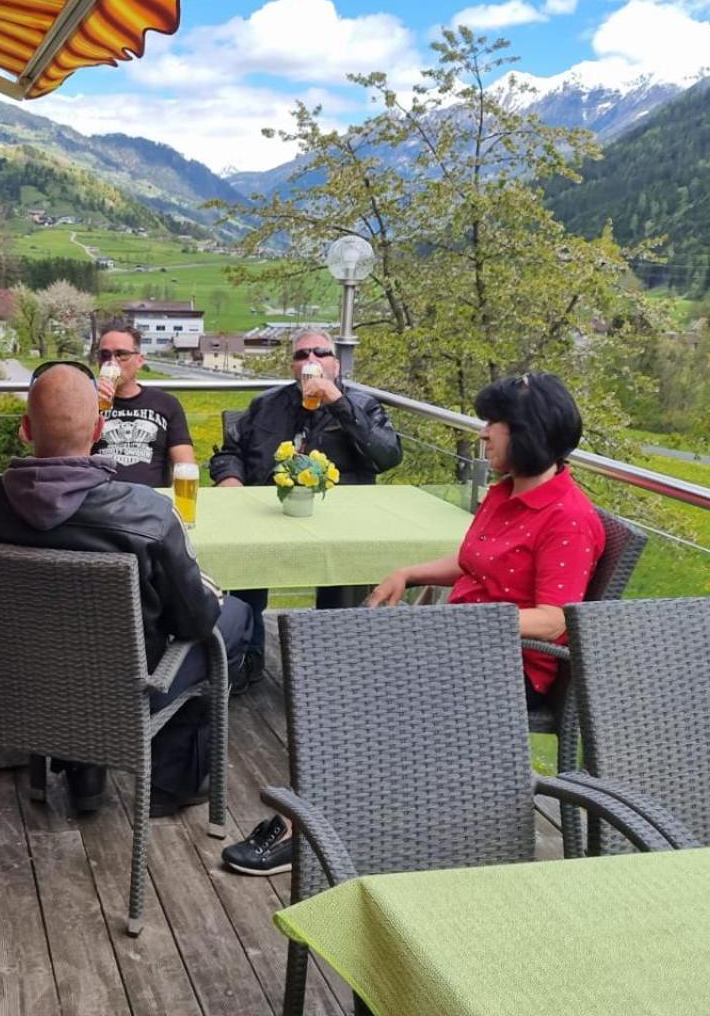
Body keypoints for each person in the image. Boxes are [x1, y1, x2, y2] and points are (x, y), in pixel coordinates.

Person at [221, 371, 603, 877]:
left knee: (357, 691)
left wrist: (459, 631)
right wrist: (410, 571)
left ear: (528, 433)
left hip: (509, 672)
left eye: (495, 423)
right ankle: (322, 815)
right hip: (458, 646)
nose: (484, 433)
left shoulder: (567, 518)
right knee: (336, 663)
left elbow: (553, 619)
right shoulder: (506, 492)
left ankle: (307, 830)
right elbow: (474, 561)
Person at [0, 360, 251, 813]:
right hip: (125, 695)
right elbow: (193, 620)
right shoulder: (146, 514)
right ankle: (172, 781)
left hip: (16, 689)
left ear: (25, 430)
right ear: (99, 428)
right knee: (234, 620)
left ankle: (84, 769)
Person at [208, 329, 403, 691]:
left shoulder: (362, 404)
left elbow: (388, 456)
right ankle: (246, 657)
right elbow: (227, 452)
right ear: (292, 365)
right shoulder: (267, 404)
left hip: (340, 521)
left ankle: (332, 662)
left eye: (319, 353)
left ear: (336, 362)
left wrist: (337, 401)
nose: (310, 361)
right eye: (301, 355)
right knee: (244, 556)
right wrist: (231, 482)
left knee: (343, 574)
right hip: (265, 514)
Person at [90, 320, 195, 487]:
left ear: (139, 360)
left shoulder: (166, 403)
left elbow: (185, 465)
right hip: (99, 499)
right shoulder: (85, 403)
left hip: (150, 502)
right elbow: (68, 459)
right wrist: (89, 404)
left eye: (121, 354)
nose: (112, 362)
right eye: (105, 355)